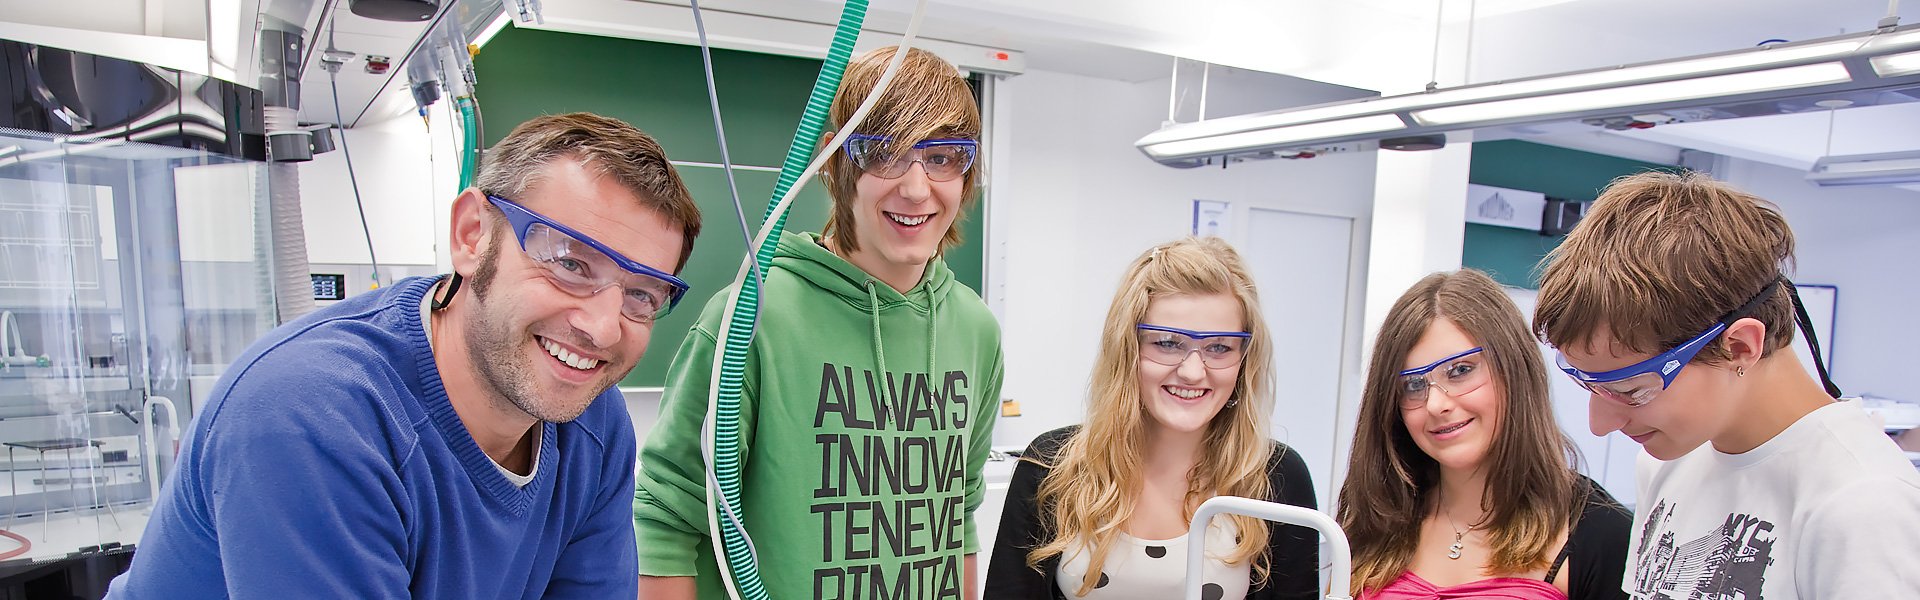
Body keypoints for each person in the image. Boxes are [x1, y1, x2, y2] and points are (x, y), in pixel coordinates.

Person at [106, 113, 700, 598]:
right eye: (570, 263)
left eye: (642, 295)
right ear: (473, 235)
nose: (600, 328)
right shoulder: (312, 413)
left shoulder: (590, 423)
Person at [633, 46, 1003, 600]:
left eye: (944, 156)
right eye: (885, 152)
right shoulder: (750, 319)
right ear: (835, 159)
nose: (916, 188)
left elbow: (960, 512)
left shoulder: (975, 330)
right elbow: (668, 520)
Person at [1535, 171, 1920, 598]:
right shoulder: (1667, 460)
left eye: (1630, 390)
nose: (1600, 424)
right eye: (1589, 385)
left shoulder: (1864, 505)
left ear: (1739, 347)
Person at [985, 237, 1320, 600]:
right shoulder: (1052, 466)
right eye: (1167, 342)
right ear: (1127, 348)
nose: (1193, 371)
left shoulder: (1278, 478)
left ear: (1244, 359)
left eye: (1219, 347)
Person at [1338, 269, 1630, 600]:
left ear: (1515, 369)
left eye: (1460, 371)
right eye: (1413, 385)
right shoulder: (1376, 514)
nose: (1435, 404)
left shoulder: (1600, 531)